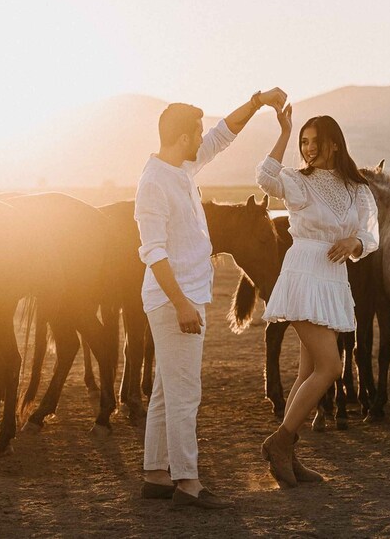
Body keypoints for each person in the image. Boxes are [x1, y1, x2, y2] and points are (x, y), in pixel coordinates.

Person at [135, 88, 287, 509]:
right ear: (183, 137)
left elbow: (224, 134)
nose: (203, 138)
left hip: (184, 296)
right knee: (186, 394)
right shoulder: (154, 183)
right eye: (197, 132)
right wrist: (182, 304)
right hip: (173, 301)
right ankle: (187, 482)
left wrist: (257, 103)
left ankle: (155, 473)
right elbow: (153, 252)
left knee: (168, 390)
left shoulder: (181, 169)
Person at [255, 106, 379, 487]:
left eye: (314, 141)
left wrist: (355, 240)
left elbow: (372, 235)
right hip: (304, 273)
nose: (307, 148)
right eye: (302, 141)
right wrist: (284, 130)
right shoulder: (296, 180)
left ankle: (287, 455)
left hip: (332, 279)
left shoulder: (358, 189)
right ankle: (280, 442)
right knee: (331, 368)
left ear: (334, 145)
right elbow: (264, 177)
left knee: (308, 372)